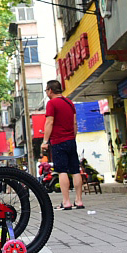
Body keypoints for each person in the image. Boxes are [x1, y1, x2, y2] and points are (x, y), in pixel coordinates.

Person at [41, 80, 83, 210]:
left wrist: (45, 141)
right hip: (71, 140)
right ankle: (79, 201)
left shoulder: (51, 103)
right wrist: (73, 137)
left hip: (58, 141)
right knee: (75, 170)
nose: (47, 93)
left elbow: (49, 122)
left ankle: (66, 202)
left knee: (62, 171)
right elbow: (75, 123)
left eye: (46, 90)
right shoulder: (69, 102)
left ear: (50, 90)